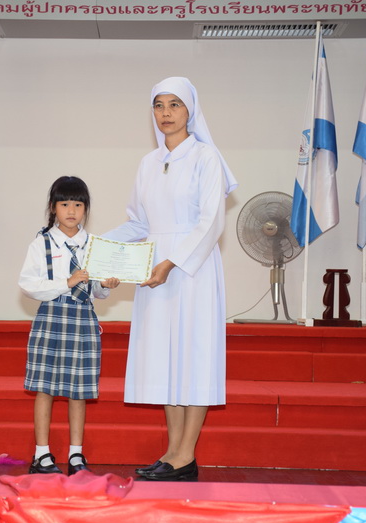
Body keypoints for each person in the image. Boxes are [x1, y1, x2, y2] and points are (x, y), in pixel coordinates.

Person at [104, 77, 238, 481]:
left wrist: (172, 262)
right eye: (159, 105)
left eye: (174, 104)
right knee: (167, 360)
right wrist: (96, 249)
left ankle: (186, 454)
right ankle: (173, 453)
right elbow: (138, 223)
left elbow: (211, 221)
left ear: (190, 110)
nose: (166, 113)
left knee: (193, 358)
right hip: (154, 271)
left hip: (192, 270)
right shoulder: (148, 162)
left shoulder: (206, 157)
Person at [19, 175, 120, 475]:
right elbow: (28, 284)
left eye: (78, 204)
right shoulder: (41, 243)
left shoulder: (94, 245)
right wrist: (67, 282)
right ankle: (41, 454)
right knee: (44, 388)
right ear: (53, 207)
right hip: (51, 317)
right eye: (64, 204)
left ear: (86, 208)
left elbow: (96, 291)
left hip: (82, 319)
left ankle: (76, 454)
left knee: (79, 390)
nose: (71, 210)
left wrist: (105, 285)